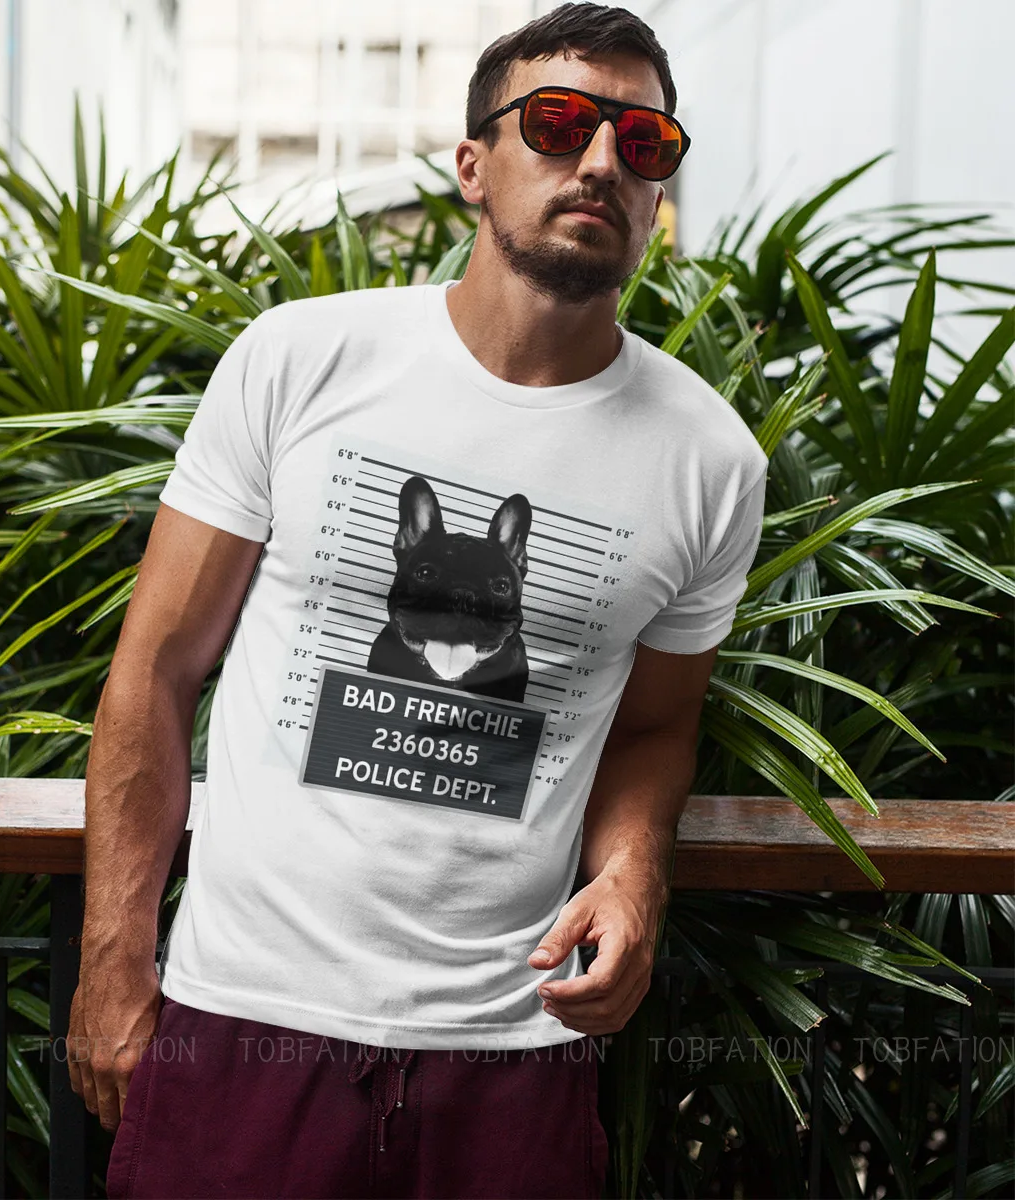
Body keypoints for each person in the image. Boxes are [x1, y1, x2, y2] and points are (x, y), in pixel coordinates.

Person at [70, 3, 768, 1197]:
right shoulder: (300, 360)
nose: (603, 160)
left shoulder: (710, 462)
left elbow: (655, 728)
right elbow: (156, 672)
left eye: (644, 141)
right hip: (244, 1018)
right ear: (472, 165)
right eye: (559, 123)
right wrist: (113, 960)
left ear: (659, 190)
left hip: (515, 1045)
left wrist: (632, 871)